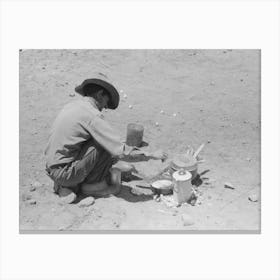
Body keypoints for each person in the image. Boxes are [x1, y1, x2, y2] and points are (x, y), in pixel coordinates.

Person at [45, 78, 165, 203]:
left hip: (53, 169)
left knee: (102, 140)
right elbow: (120, 151)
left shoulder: (73, 106)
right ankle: (92, 187)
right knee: (104, 144)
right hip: (65, 173)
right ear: (100, 94)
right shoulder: (92, 115)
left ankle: (65, 186)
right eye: (106, 103)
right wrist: (151, 155)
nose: (104, 108)